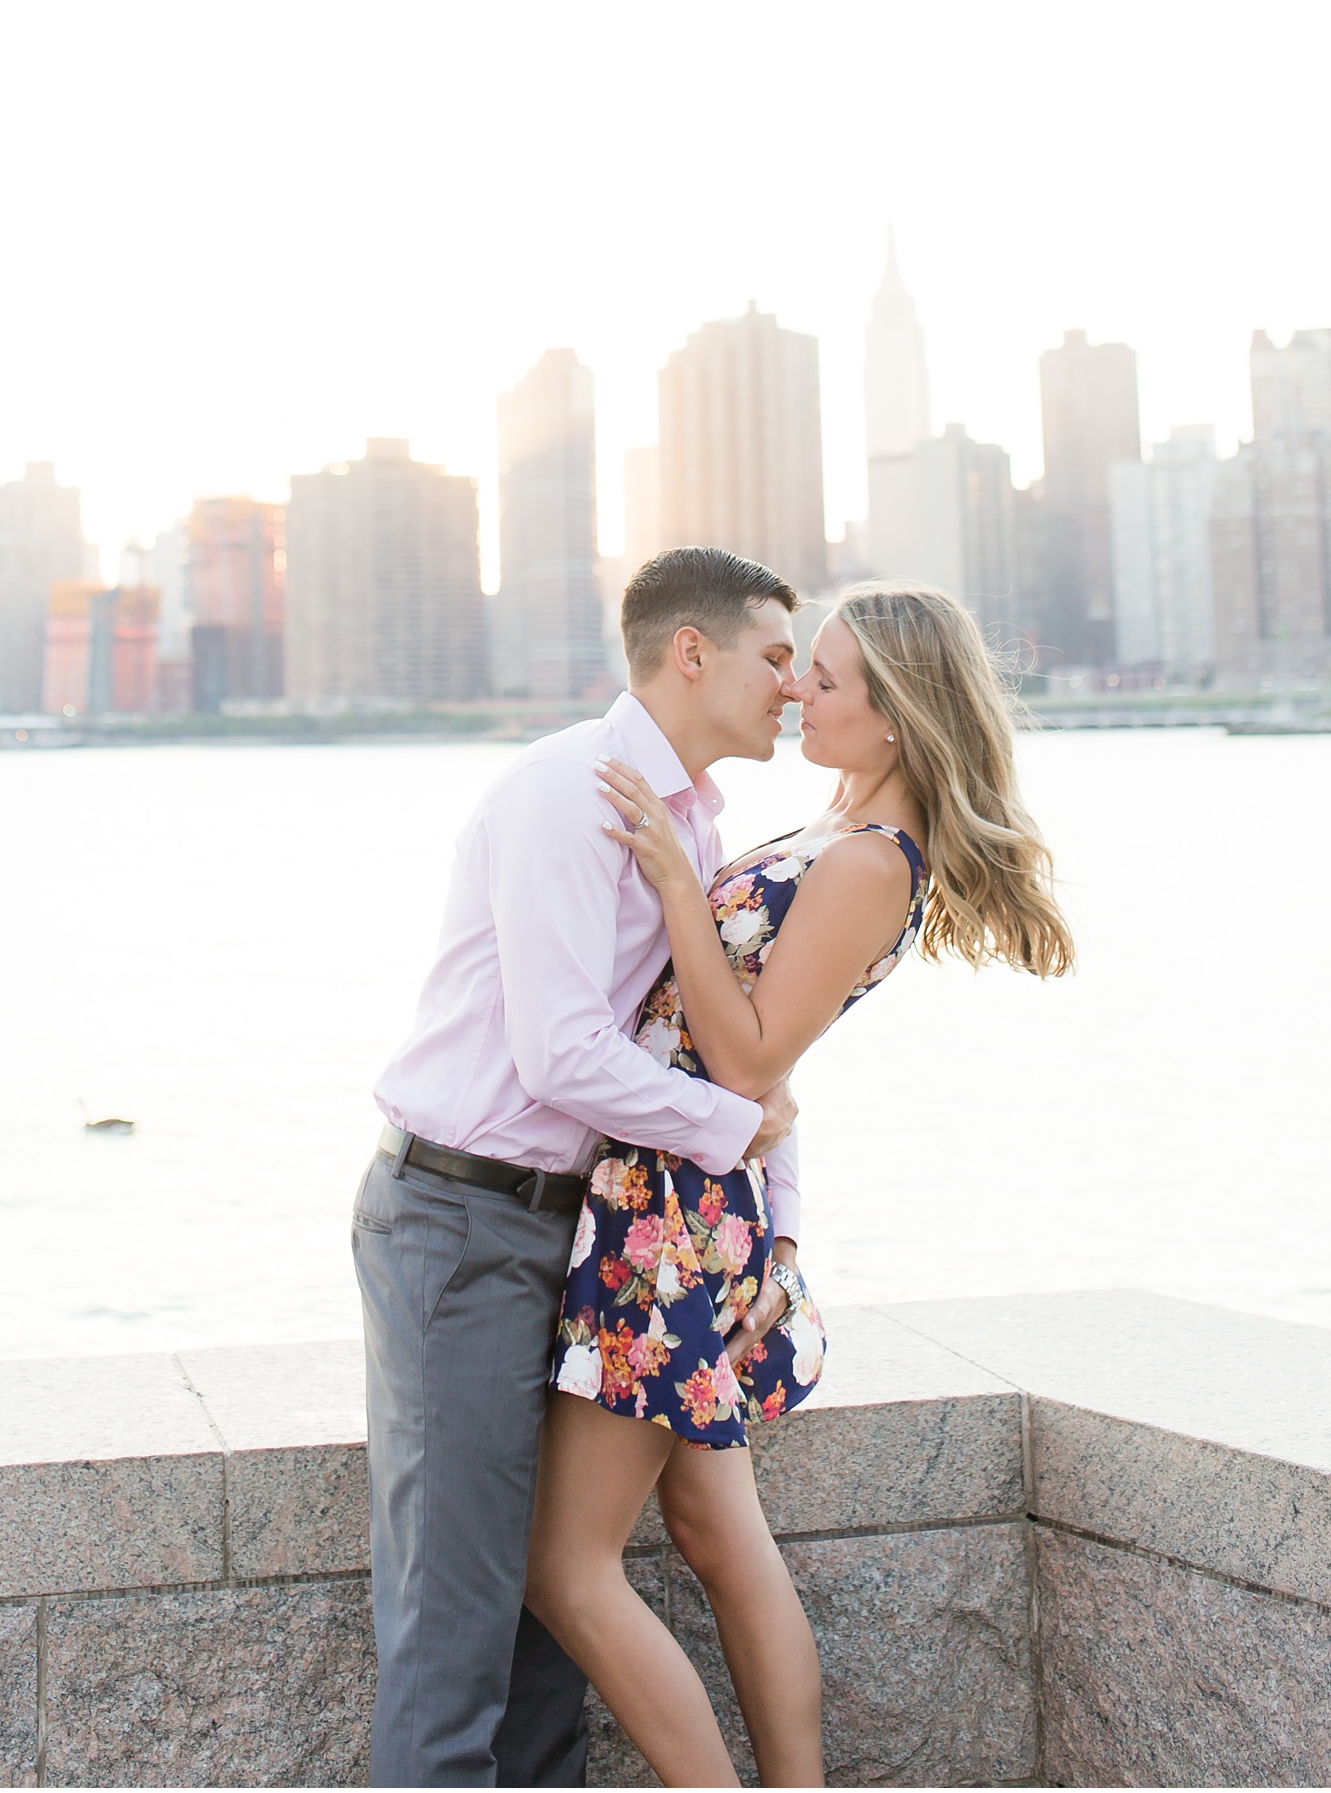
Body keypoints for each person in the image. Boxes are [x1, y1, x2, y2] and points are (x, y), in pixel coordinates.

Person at [523, 580, 1076, 1789]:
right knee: (718, 1534)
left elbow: (748, 1054)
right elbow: (755, 1072)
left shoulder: (874, 860)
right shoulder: (832, 827)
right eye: (797, 666)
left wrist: (677, 882)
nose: (794, 689)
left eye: (822, 678)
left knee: (567, 1566)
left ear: (891, 715)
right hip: (680, 1198)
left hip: (672, 1218)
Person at [353, 547, 806, 1789]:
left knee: (549, 1612)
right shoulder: (571, 791)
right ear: (690, 651)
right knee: (456, 1610)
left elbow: (718, 1043)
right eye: (775, 655)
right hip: (461, 1216)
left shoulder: (695, 817)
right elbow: (560, 1054)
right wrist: (733, 1132)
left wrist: (774, 1212)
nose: (793, 683)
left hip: (577, 1227)